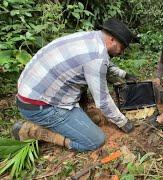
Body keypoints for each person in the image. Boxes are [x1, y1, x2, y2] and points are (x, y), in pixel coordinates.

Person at [12, 18, 138, 152]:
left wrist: (124, 74)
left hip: (30, 93)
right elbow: (103, 101)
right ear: (112, 39)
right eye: (122, 47)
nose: (121, 52)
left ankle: (75, 120)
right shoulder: (96, 58)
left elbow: (103, 63)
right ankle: (36, 131)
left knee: (92, 113)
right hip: (40, 106)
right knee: (95, 140)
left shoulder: (92, 38)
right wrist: (124, 123)